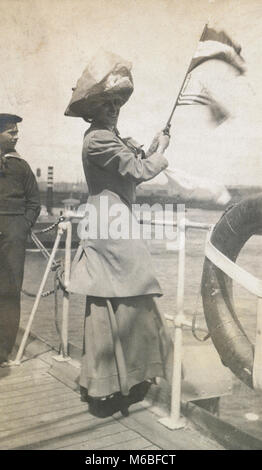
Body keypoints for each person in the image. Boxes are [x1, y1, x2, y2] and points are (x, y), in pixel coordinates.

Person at [65, 54, 173, 417]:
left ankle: (118, 381)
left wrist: (156, 145)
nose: (113, 109)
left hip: (113, 225)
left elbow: (132, 159)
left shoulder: (105, 137)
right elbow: (138, 170)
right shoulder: (98, 140)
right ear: (92, 109)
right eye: (105, 104)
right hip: (111, 229)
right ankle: (112, 382)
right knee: (119, 301)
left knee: (123, 301)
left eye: (116, 104)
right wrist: (161, 159)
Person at [0, 113, 41, 366]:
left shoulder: (21, 166)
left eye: (16, 131)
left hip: (14, 232)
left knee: (9, 291)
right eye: (10, 132)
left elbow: (34, 203)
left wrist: (22, 226)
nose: (16, 135)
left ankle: (2, 351)